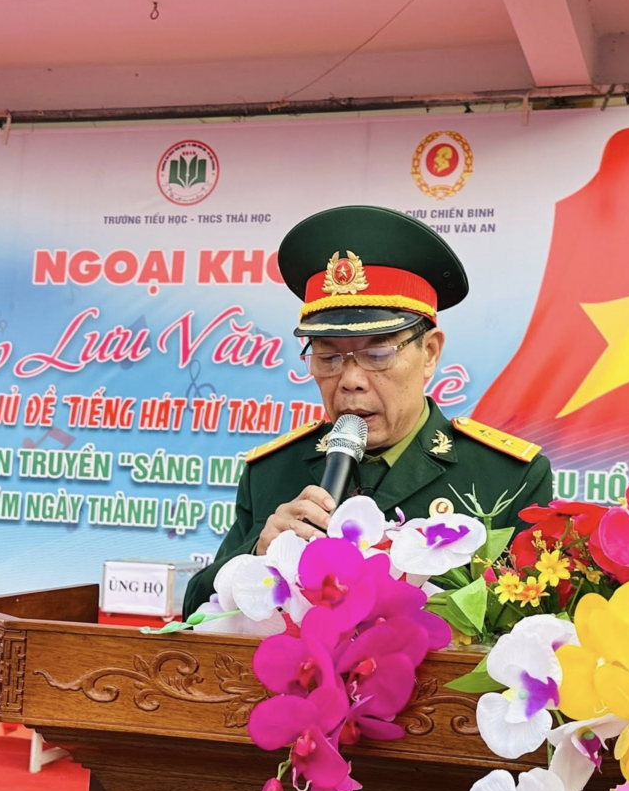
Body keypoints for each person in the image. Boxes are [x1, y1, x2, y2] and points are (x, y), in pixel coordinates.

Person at [183, 205, 553, 614]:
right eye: (328, 358)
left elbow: (531, 618)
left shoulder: (507, 476)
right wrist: (258, 555)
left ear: (430, 353)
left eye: (377, 355)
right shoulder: (272, 472)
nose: (350, 380)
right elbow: (196, 610)